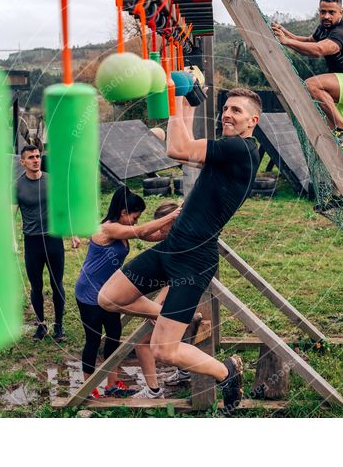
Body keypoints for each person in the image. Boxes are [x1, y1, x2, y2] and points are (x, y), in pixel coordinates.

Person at [98, 89, 262, 413]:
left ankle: (227, 371)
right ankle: (172, 317)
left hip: (194, 260)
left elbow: (177, 147)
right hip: (172, 248)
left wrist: (173, 97)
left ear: (252, 121)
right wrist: (186, 99)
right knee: (108, 298)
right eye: (226, 108)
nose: (228, 114)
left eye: (237, 111)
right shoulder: (231, 148)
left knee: (164, 350)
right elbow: (184, 151)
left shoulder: (241, 149)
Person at [74, 188, 180, 399]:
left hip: (110, 293)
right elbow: (141, 231)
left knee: (113, 336)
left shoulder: (123, 231)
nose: (135, 221)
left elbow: (155, 234)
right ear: (123, 212)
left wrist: (175, 227)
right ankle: (87, 387)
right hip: (89, 292)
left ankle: (112, 384)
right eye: (134, 216)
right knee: (93, 340)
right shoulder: (108, 229)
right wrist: (172, 214)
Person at [271, 0, 343, 147]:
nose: (326, 16)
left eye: (331, 12)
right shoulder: (322, 29)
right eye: (322, 11)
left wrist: (286, 41)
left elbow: (319, 49)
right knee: (329, 141)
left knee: (312, 85)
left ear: (341, 13)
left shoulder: (342, 31)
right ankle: (341, 145)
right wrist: (285, 33)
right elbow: (307, 41)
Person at [15, 144, 80, 341]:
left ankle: (59, 326)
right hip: (32, 242)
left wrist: (73, 233)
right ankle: (41, 325)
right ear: (22, 162)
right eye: (31, 157)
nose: (36, 160)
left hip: (53, 240)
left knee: (56, 283)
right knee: (36, 286)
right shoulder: (17, 186)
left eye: (37, 156)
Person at [130, 201, 181, 399]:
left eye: (162, 224)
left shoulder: (176, 244)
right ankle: (184, 371)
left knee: (142, 343)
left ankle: (153, 390)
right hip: (193, 297)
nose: (159, 229)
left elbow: (175, 280)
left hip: (177, 300)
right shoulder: (178, 236)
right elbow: (144, 234)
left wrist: (157, 303)